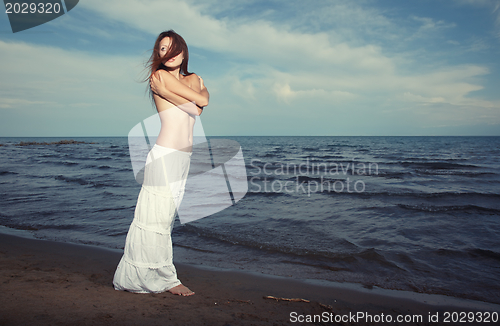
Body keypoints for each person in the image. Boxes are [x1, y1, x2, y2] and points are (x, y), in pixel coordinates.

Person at [113, 30, 209, 296]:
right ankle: (165, 279)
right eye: (162, 49)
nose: (168, 53)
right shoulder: (159, 76)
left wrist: (191, 103)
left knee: (164, 219)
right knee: (153, 217)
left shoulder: (194, 78)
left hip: (183, 157)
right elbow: (198, 103)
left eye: (172, 47)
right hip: (165, 154)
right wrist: (194, 103)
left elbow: (204, 102)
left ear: (183, 49)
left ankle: (155, 274)